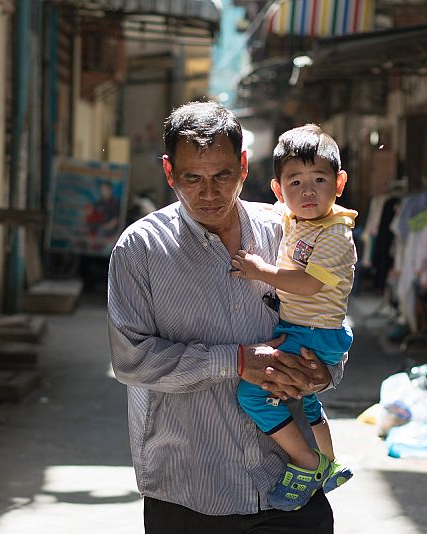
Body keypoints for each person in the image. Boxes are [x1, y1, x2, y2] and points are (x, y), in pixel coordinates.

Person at [107, 101, 345, 533]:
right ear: (168, 172)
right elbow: (131, 360)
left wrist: (320, 372)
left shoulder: (287, 231)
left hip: (289, 488)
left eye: (222, 176)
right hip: (190, 493)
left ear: (243, 165)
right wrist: (234, 361)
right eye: (192, 178)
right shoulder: (139, 250)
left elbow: (329, 313)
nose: (209, 193)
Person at [230, 125, 357, 511]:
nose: (307, 191)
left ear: (339, 183)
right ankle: (331, 462)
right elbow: (276, 213)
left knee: (251, 393)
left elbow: (306, 285)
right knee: (309, 400)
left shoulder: (336, 234)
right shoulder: (295, 217)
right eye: (295, 182)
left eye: (319, 179)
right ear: (278, 189)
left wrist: (259, 270)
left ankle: (307, 462)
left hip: (315, 333)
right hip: (307, 330)